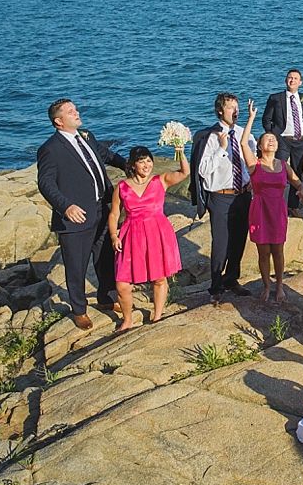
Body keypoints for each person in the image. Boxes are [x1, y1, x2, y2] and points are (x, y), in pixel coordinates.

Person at [37, 99, 126, 330]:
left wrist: (130, 166)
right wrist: (66, 206)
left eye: (75, 109)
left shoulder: (87, 135)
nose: (76, 113)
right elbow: (45, 183)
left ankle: (106, 298)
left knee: (105, 256)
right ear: (58, 121)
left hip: (101, 208)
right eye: (70, 111)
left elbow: (106, 155)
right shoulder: (50, 149)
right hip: (75, 217)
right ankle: (79, 310)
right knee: (76, 266)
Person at [108, 145, 189, 331]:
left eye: (149, 160)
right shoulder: (122, 187)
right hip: (131, 234)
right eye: (141, 161)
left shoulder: (161, 180)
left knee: (159, 278)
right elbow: (113, 214)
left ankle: (157, 315)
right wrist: (114, 235)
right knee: (122, 283)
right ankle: (127, 320)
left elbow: (185, 172)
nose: (146, 165)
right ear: (133, 165)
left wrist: (180, 150)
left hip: (157, 232)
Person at [238, 99, 303, 304]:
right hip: (259, 210)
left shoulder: (283, 165)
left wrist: (302, 190)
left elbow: (297, 182)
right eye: (267, 140)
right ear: (259, 146)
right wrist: (251, 118)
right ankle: (267, 285)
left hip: (277, 211)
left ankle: (279, 286)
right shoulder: (254, 165)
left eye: (274, 140)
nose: (271, 141)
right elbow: (243, 143)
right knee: (263, 252)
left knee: (278, 250)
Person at [190, 93, 257, 303]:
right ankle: (216, 285)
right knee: (221, 242)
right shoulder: (210, 136)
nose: (235, 111)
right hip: (220, 196)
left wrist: (252, 182)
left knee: (239, 239)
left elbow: (250, 161)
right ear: (220, 110)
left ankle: (232, 279)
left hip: (243, 194)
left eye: (237, 107)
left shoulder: (244, 134)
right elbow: (203, 170)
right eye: (230, 108)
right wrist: (221, 148)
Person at [261, 67, 303, 218]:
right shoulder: (275, 98)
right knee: (278, 171)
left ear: (300, 82)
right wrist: (273, 134)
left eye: (295, 78)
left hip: (300, 140)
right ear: (285, 80)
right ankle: (275, 203)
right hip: (283, 139)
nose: (292, 80)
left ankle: (293, 206)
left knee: (297, 172)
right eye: (290, 77)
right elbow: (266, 119)